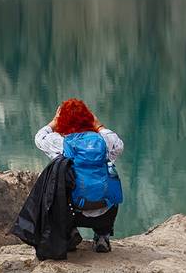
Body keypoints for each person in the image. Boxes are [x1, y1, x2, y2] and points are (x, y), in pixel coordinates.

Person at [34, 98, 124, 252]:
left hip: (72, 210)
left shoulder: (61, 143)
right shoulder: (104, 142)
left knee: (56, 182)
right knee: (110, 180)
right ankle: (102, 236)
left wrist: (54, 122)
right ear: (89, 118)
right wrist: (98, 125)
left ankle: (70, 232)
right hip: (104, 209)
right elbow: (118, 144)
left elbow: (39, 137)